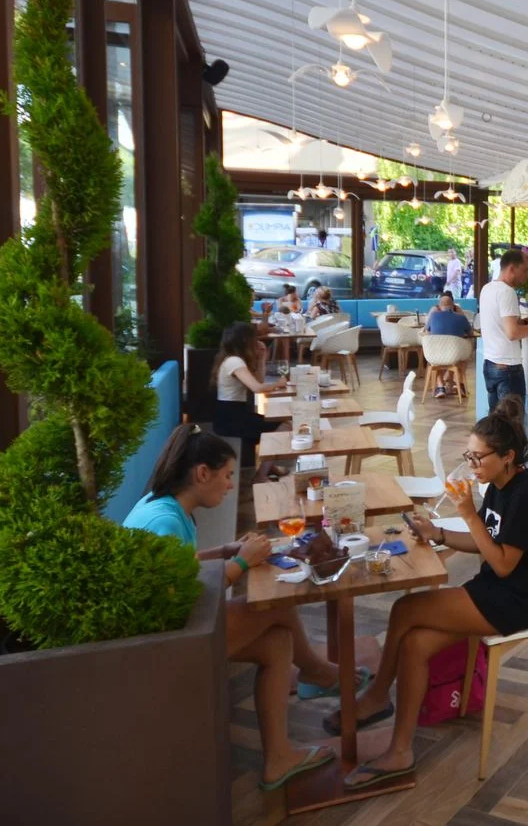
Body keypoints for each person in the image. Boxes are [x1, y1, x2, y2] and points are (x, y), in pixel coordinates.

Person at [339, 396, 528, 791]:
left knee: (406, 608)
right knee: (415, 645)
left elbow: (504, 563)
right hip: (496, 589)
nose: (472, 465)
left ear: (507, 456)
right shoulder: (498, 483)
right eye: (469, 456)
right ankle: (400, 751)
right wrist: (439, 534)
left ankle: (375, 697)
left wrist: (469, 514)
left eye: (479, 457)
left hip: (518, 601)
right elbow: (486, 544)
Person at [123, 425, 344, 791]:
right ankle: (318, 673)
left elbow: (184, 564)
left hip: (165, 632)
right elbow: (179, 596)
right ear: (202, 473)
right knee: (274, 606)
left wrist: (227, 551)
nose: (230, 485)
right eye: (226, 476)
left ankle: (279, 758)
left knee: (276, 643)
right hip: (160, 647)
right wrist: (240, 565)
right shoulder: (164, 521)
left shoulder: (159, 504)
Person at [479, 249, 528, 407]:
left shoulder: (487, 289)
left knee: (496, 424)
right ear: (511, 269)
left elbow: (504, 324)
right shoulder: (506, 292)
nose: (527, 275)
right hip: (507, 369)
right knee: (511, 425)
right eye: (524, 270)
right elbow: (512, 333)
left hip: (490, 364)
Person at [212, 322, 287, 452]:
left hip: (232, 415)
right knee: (285, 426)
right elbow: (257, 388)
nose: (256, 341)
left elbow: (259, 380)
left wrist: (262, 358)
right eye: (254, 338)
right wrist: (278, 384)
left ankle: (269, 466)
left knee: (278, 423)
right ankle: (263, 471)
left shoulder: (232, 359)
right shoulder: (235, 361)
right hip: (231, 419)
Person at [424, 292, 474, 397]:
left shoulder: (433, 316)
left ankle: (440, 386)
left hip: (435, 355)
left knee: (436, 361)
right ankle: (460, 384)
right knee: (463, 358)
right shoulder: (461, 317)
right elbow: (471, 334)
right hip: (455, 354)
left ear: (440, 306)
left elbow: (426, 331)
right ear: (453, 306)